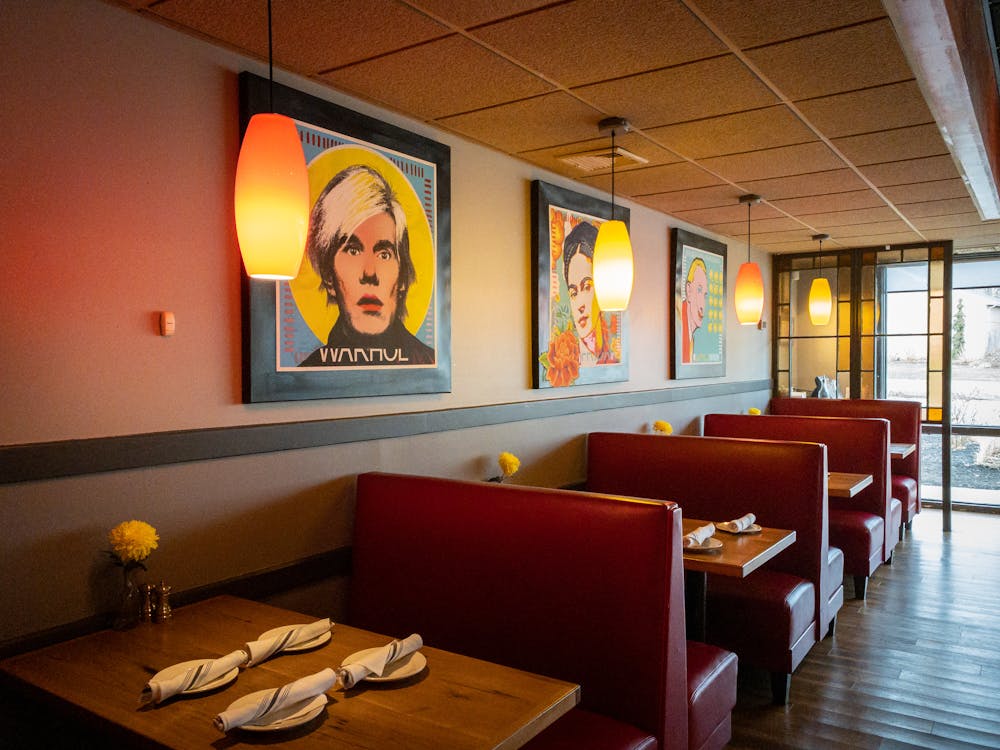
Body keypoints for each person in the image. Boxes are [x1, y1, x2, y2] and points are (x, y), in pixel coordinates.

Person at [299, 164, 434, 367]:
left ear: (403, 277)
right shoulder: (309, 371)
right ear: (328, 277)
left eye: (384, 255)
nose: (370, 273)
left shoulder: (428, 361)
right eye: (353, 251)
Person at [562, 222, 619, 366]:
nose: (580, 305)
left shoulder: (612, 349)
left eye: (587, 286)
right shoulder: (571, 358)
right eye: (573, 293)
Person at [681, 257, 707, 364]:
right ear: (689, 290)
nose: (702, 306)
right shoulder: (681, 330)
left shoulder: (690, 337)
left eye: (705, 295)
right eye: (699, 290)